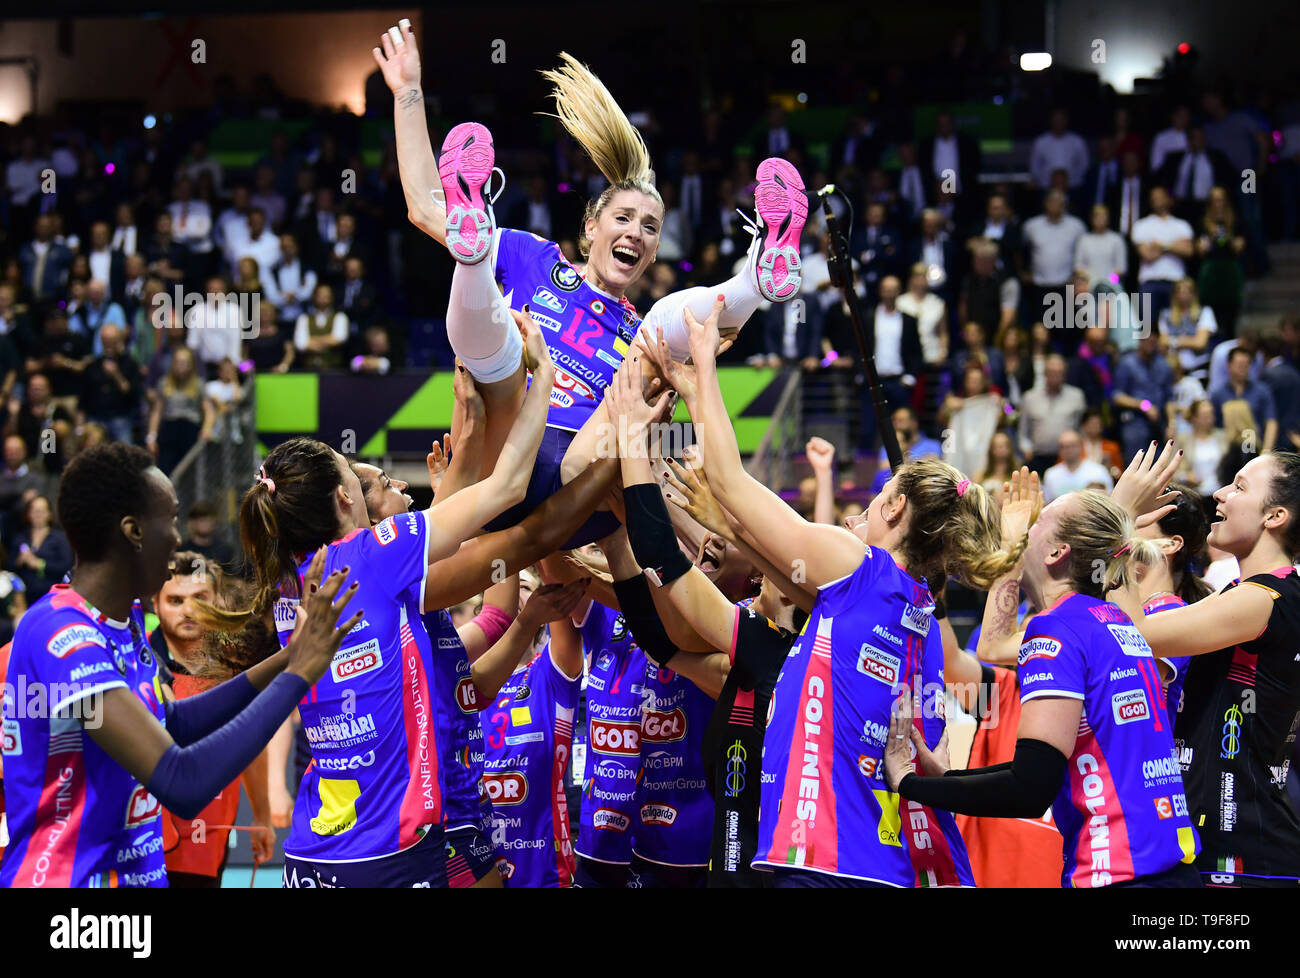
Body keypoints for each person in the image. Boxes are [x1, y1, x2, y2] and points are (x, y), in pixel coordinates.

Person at [377, 20, 806, 548]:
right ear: (590, 227)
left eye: (651, 227)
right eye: (624, 218)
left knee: (651, 345)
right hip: (506, 446)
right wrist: (408, 91)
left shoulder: (641, 324)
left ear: (653, 254)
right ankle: (473, 249)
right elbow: (422, 205)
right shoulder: (534, 258)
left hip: (581, 475)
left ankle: (759, 278)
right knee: (510, 353)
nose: (637, 233)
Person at [666, 298, 997, 887]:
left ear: (895, 507)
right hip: (882, 865)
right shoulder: (915, 607)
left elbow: (732, 481)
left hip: (820, 858)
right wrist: (724, 520)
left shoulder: (859, 566)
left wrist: (702, 368)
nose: (863, 512)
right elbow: (776, 560)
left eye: (876, 499)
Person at [240, 311, 553, 888]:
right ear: (344, 499)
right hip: (387, 852)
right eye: (365, 479)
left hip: (313, 852)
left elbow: (446, 536)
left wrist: (472, 418)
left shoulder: (287, 579)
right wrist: (544, 378)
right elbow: (505, 492)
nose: (385, 487)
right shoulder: (371, 554)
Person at [0, 442, 359, 888]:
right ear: (132, 531)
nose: (177, 539)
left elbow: (172, 721)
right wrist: (298, 675)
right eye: (169, 519)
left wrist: (288, 655)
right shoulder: (61, 634)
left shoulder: (124, 622)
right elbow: (182, 781)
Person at [886, 483, 1202, 887]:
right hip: (1169, 868)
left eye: (1036, 523)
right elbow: (1045, 762)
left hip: (1116, 873)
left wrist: (910, 784)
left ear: (1057, 553)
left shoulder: (1055, 629)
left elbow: (1030, 789)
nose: (1022, 530)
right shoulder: (1113, 620)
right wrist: (947, 780)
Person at [1115, 452, 1300, 887]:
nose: (1219, 493)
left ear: (1274, 516)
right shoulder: (1246, 592)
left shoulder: (1263, 598)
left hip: (1247, 850)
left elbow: (1133, 631)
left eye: (1239, 486)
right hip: (1220, 838)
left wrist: (1121, 518)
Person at [154, 553, 275, 886]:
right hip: (144, 846)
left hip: (210, 841)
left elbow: (249, 743)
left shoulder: (235, 671)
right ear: (155, 603)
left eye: (200, 599)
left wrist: (262, 816)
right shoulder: (137, 666)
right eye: (175, 600)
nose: (188, 611)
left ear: (217, 601)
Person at [1130, 486, 1213, 732]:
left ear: (1170, 544)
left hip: (1141, 759)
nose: (1124, 530)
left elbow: (1131, 694)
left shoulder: (1171, 612)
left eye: (1141, 520)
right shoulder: (1127, 607)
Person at [148, 347, 214, 475]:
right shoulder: (164, 383)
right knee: (167, 470)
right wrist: (151, 437)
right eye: (178, 362)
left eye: (184, 363)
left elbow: (209, 411)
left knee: (189, 472)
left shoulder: (198, 384)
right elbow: (156, 412)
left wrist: (206, 429)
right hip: (169, 430)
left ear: (191, 365)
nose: (180, 366)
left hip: (190, 430)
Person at [10, 495, 72, 602]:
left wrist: (39, 564)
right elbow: (9, 568)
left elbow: (66, 566)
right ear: (28, 514)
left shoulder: (60, 538)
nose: (38, 515)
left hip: (52, 596)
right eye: (34, 511)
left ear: (50, 514)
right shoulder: (20, 538)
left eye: (42, 511)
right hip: (23, 597)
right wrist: (19, 561)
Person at [1042, 430, 1114, 502]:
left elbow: (1110, 501)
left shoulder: (1099, 471)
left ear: (1081, 446)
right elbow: (1048, 502)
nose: (1067, 449)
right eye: (1062, 446)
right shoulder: (1051, 474)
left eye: (1072, 445)